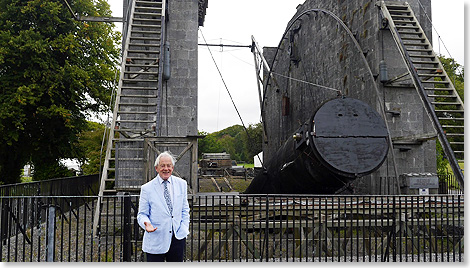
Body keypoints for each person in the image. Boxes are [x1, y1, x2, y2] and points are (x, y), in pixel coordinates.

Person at [137, 151, 190, 262]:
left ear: (172, 167)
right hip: (156, 239)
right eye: (162, 166)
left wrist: (184, 228)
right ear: (156, 168)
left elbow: (185, 209)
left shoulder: (182, 184)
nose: (166, 169)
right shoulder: (147, 188)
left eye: (168, 165)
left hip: (177, 238)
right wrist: (146, 223)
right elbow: (142, 214)